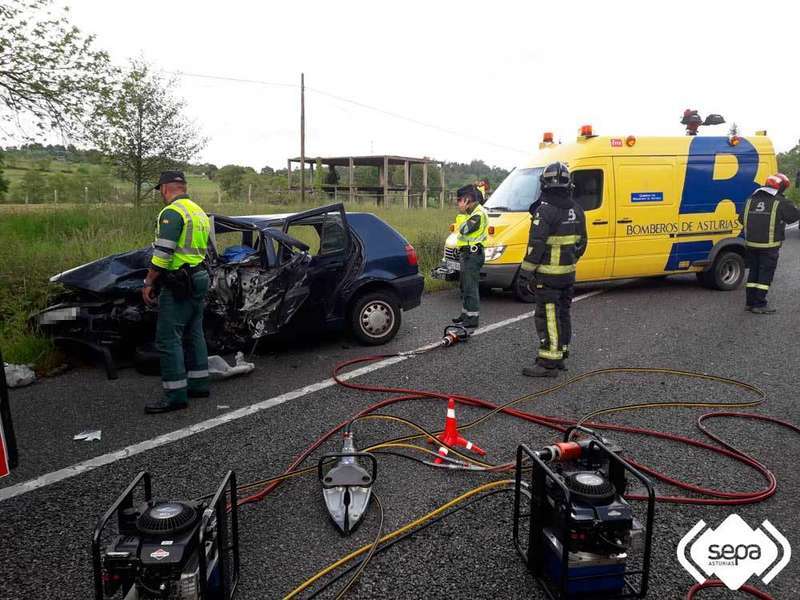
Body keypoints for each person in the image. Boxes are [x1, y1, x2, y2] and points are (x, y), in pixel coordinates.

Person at [142, 171, 212, 413]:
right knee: (194, 332)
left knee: (168, 338)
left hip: (179, 282)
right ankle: (199, 384)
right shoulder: (198, 211)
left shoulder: (172, 213)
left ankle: (175, 395)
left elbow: (163, 253)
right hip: (199, 276)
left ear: (164, 188)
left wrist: (149, 281)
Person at [520, 162, 587, 377]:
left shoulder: (545, 211)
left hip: (548, 277)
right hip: (568, 274)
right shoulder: (577, 210)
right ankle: (561, 355)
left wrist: (525, 273)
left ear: (544, 185)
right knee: (563, 314)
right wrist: (569, 261)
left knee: (548, 316)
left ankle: (548, 363)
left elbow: (535, 246)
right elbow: (582, 243)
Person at [740, 173, 799, 314]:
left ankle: (750, 303)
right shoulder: (780, 201)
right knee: (765, 275)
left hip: (751, 244)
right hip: (769, 246)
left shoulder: (750, 200)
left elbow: (741, 219)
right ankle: (760, 304)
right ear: (781, 187)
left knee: (753, 273)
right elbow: (794, 216)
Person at [452, 184, 489, 329]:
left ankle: (472, 319)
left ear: (467, 200)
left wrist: (461, 214)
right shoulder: (471, 214)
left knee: (471, 287)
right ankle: (465, 314)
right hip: (466, 253)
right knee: (464, 287)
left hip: (474, 255)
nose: (458, 203)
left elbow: (463, 230)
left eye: (460, 200)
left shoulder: (478, 214)